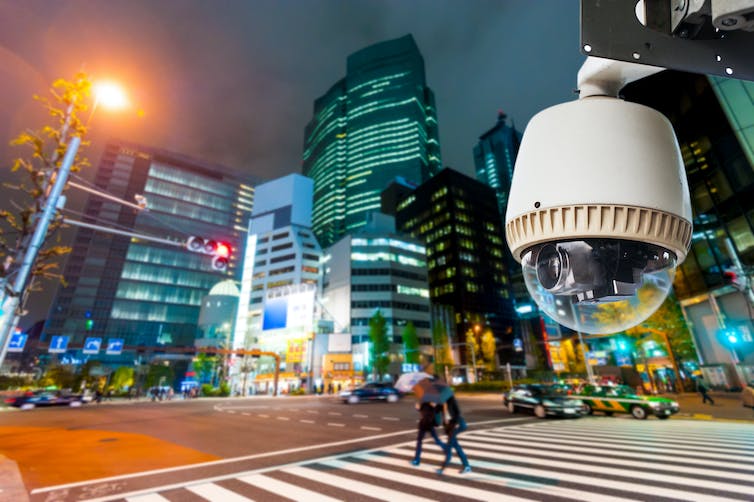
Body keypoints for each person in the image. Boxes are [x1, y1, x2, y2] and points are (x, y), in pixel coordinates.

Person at [438, 395, 471, 474]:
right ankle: (466, 466)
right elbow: (437, 412)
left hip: (457, 425)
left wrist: (456, 423)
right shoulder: (441, 403)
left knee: (449, 446)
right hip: (450, 427)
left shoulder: (451, 399)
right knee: (456, 446)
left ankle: (443, 467)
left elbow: (457, 412)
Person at [411, 401, 447, 466]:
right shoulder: (424, 400)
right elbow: (419, 409)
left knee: (420, 442)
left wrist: (434, 405)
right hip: (425, 423)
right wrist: (417, 406)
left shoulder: (432, 400)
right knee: (434, 440)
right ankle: (447, 449)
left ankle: (417, 460)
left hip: (428, 423)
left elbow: (440, 408)